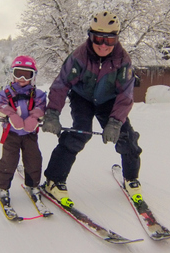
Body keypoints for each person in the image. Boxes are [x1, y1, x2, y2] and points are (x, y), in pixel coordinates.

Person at [41, 11, 142, 207]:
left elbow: (125, 95)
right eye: (98, 38)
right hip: (83, 99)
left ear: (116, 39)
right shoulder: (79, 56)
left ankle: (131, 178)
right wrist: (52, 113)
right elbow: (62, 84)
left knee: (126, 137)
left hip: (109, 101)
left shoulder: (123, 61)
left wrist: (115, 122)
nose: (103, 45)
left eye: (109, 39)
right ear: (90, 35)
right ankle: (54, 179)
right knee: (81, 133)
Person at [0, 56, 47, 206]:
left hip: (29, 135)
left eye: (27, 74)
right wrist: (10, 114)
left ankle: (33, 185)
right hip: (11, 134)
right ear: (12, 74)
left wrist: (35, 117)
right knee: (9, 160)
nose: (22, 78)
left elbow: (41, 106)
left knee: (34, 159)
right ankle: (2, 187)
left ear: (33, 76)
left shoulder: (38, 94)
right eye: (18, 74)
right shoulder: (6, 93)